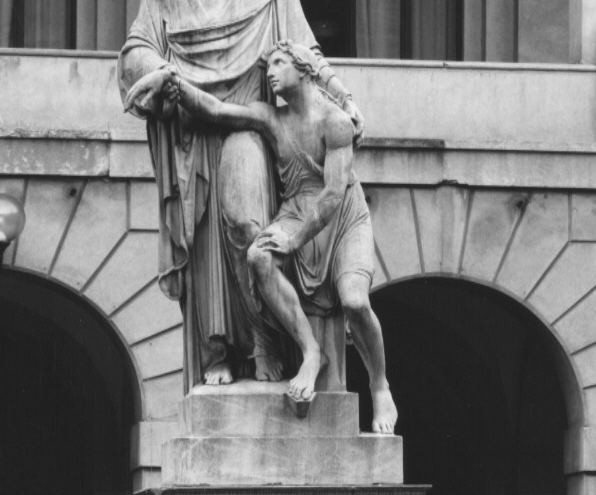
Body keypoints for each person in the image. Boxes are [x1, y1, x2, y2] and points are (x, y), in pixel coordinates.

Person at [119, 0, 363, 390]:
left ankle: (263, 340)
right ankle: (217, 352)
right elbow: (138, 47)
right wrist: (155, 72)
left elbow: (306, 51)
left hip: (252, 125)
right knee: (208, 242)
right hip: (193, 132)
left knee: (248, 227)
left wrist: (342, 95)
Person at [124, 41, 397, 434]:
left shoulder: (335, 122)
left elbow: (334, 194)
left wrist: (294, 239)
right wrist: (176, 85)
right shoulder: (272, 118)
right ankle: (310, 350)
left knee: (355, 300)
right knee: (258, 256)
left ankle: (380, 385)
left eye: (280, 63)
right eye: (268, 64)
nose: (270, 72)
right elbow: (218, 111)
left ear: (303, 69)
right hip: (296, 211)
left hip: (341, 218)